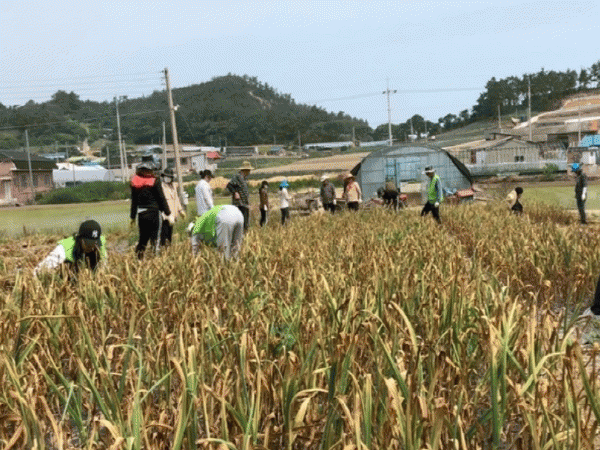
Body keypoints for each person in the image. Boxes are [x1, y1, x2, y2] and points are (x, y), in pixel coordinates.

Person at [34, 219, 106, 276]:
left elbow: (104, 265)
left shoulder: (100, 245)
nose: (92, 247)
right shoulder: (64, 248)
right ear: (80, 239)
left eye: (94, 243)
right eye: (88, 244)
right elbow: (39, 270)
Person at [130, 162, 171, 259]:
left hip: (141, 214)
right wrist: (168, 213)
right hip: (154, 213)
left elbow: (134, 202)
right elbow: (161, 198)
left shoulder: (134, 182)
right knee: (155, 239)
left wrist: (132, 217)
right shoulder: (155, 181)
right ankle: (155, 259)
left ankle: (138, 259)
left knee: (143, 239)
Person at [160, 168, 186, 246]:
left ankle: (168, 248)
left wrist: (180, 210)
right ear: (163, 177)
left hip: (173, 214)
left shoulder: (173, 187)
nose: (167, 178)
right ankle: (163, 248)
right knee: (163, 234)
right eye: (166, 176)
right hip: (165, 216)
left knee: (169, 234)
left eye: (169, 177)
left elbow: (176, 199)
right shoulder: (161, 187)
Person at [226, 161, 253, 231]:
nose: (249, 172)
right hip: (239, 204)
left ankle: (244, 235)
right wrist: (235, 193)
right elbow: (229, 185)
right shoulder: (237, 177)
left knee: (245, 223)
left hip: (244, 204)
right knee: (242, 224)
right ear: (245, 170)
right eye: (249, 170)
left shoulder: (244, 178)